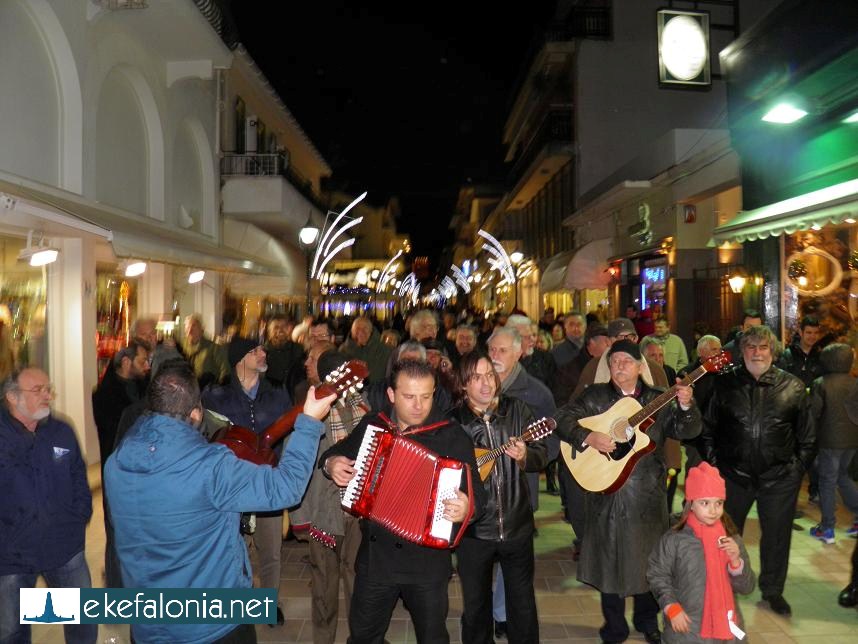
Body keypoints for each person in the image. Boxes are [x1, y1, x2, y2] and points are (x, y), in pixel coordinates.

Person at [106, 362, 336, 644]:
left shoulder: (116, 462)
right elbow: (285, 488)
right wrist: (310, 423)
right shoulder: (210, 465)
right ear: (195, 412)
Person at [321, 359, 484, 643]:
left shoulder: (453, 437)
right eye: (409, 397)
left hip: (428, 564)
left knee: (433, 637)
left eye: (426, 396)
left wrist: (468, 508)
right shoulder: (375, 426)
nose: (419, 405)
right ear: (391, 395)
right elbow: (335, 452)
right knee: (363, 636)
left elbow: (479, 497)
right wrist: (332, 463)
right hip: (376, 559)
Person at [554, 340, 700, 644]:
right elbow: (562, 420)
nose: (619, 366)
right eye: (615, 361)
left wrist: (686, 405)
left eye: (626, 361)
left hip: (647, 496)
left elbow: (687, 431)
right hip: (605, 492)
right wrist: (588, 436)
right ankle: (614, 627)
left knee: (649, 563)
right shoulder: (594, 397)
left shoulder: (658, 398)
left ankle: (647, 621)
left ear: (639, 366)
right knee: (609, 563)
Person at [702, 325, 815, 616]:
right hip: (733, 476)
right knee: (724, 535)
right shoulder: (724, 385)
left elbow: (808, 437)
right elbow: (708, 429)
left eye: (763, 347)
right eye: (751, 347)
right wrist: (717, 465)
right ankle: (721, 584)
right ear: (742, 352)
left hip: (779, 479)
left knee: (777, 538)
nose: (757, 353)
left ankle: (773, 590)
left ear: (773, 351)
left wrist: (795, 470)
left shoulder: (793, 387)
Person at [450, 353, 546, 644]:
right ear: (463, 384)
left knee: (523, 603)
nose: (485, 383)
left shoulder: (517, 410)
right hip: (474, 529)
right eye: (476, 377)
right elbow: (444, 472)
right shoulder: (454, 422)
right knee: (477, 605)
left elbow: (541, 454)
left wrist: (525, 456)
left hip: (517, 523)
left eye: (489, 375)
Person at [0, 368, 97, 644]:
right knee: (11, 630)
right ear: (12, 397)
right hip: (12, 554)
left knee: (81, 622)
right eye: (38, 390)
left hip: (64, 548)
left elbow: (79, 474)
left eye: (48, 389)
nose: (48, 395)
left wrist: (80, 514)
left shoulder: (61, 431)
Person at [202, 336, 294, 626]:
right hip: (231, 486)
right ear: (241, 358)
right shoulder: (216, 397)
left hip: (267, 483)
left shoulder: (278, 395)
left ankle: (268, 604)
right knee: (232, 549)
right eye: (257, 350)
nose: (264, 353)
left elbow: (289, 438)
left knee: (270, 550)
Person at [290, 349, 367, 644]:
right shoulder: (311, 413)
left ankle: (362, 635)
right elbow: (298, 464)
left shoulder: (363, 408)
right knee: (324, 583)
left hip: (357, 510)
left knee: (358, 577)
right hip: (324, 512)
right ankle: (324, 639)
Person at [647, 463, 755, 643]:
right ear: (691, 504)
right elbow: (657, 575)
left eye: (718, 503)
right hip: (687, 627)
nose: (713, 510)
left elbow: (747, 587)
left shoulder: (731, 539)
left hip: (726, 628)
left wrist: (736, 563)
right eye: (705, 502)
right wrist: (671, 607)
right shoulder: (674, 539)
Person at [92, 340, 150, 589]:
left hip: (142, 471)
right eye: (142, 361)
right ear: (126, 362)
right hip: (118, 470)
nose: (147, 366)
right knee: (116, 529)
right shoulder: (105, 395)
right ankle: (116, 587)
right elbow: (116, 434)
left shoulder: (140, 386)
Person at [808, 343, 858, 544]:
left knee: (827, 481)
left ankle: (827, 528)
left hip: (829, 440)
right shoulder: (855, 382)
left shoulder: (821, 383)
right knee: (843, 476)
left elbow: (813, 413)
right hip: (853, 439)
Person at [339, 316, 392, 385]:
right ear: (352, 331)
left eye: (365, 328)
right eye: (357, 328)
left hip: (376, 392)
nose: (361, 331)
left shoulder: (384, 350)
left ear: (371, 330)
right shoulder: (343, 350)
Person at [181, 313, 229, 388]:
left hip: (208, 391)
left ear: (201, 328)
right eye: (187, 327)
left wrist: (218, 389)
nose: (190, 330)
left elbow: (225, 371)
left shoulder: (213, 347)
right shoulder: (183, 347)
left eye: (193, 326)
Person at [777, 315, 825, 388]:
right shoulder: (788, 355)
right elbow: (780, 382)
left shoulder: (821, 356)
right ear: (800, 332)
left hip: (814, 398)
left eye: (816, 333)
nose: (812, 336)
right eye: (809, 332)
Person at [264, 314, 305, 395]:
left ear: (289, 328)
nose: (280, 330)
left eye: (284, 326)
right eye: (276, 327)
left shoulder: (298, 349)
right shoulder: (262, 351)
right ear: (269, 330)